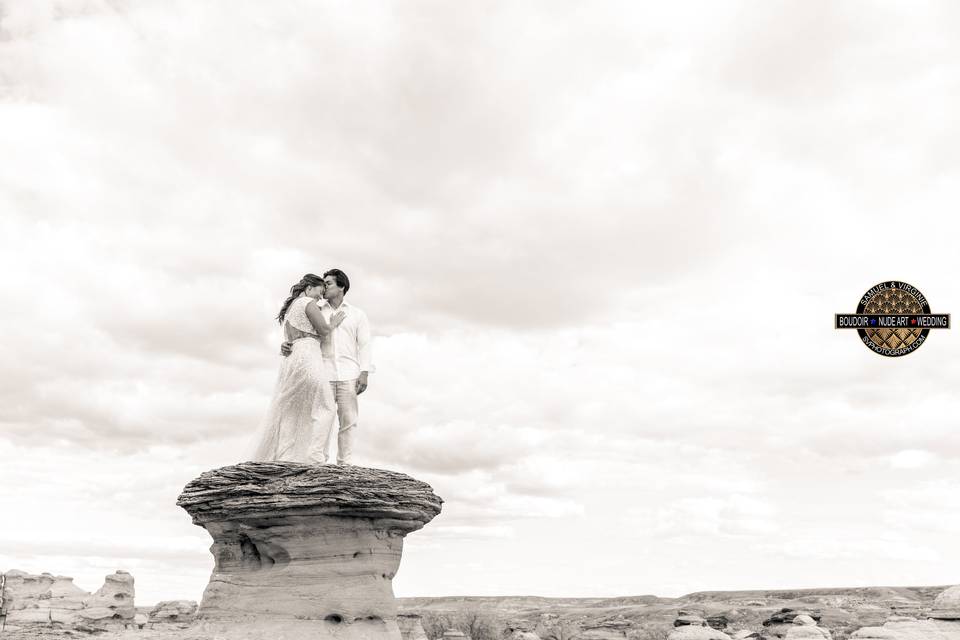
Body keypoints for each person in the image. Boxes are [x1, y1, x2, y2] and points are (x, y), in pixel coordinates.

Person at [250, 274, 345, 463]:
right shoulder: (308, 302)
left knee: (290, 409)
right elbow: (324, 331)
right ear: (309, 288)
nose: (320, 298)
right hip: (307, 357)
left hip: (291, 359)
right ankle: (315, 456)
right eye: (319, 292)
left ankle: (284, 456)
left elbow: (290, 338)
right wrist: (333, 323)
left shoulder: (290, 309)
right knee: (326, 406)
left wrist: (284, 345)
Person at [281, 268, 373, 465]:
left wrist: (364, 372)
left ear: (341, 286)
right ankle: (318, 461)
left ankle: (345, 463)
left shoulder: (357, 314)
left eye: (329, 283)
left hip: (349, 373)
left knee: (348, 420)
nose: (324, 287)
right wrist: (288, 344)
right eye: (323, 283)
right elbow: (298, 330)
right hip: (322, 370)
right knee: (321, 417)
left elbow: (365, 344)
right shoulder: (315, 308)